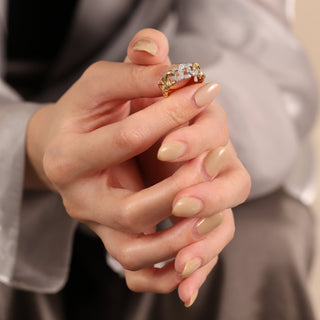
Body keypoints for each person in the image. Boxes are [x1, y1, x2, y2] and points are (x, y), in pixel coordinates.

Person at [0, 1, 317, 320]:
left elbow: (260, 51)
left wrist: (180, 129)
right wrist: (34, 141)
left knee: (258, 232)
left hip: (125, 123)